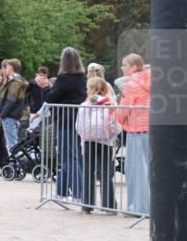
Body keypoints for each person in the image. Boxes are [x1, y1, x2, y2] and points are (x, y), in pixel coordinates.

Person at [45, 47, 87, 201]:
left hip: (66, 122)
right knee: (70, 156)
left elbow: (51, 98)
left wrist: (46, 88)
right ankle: (62, 191)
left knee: (68, 158)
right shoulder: (83, 78)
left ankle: (78, 193)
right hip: (78, 121)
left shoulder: (64, 79)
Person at [76, 77, 118, 213]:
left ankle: (87, 205)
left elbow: (79, 125)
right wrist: (112, 137)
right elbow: (116, 124)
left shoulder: (85, 104)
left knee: (89, 172)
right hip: (106, 141)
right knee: (106, 173)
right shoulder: (110, 103)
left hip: (89, 140)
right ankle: (109, 205)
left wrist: (84, 136)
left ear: (92, 89)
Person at [116, 54, 150, 215]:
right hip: (154, 129)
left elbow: (123, 111)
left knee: (135, 171)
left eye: (125, 65)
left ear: (134, 67)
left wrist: (119, 120)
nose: (122, 68)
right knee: (150, 170)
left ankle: (137, 207)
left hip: (136, 129)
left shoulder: (130, 84)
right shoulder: (155, 81)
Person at [0, 59, 28, 151]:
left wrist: (0, 118)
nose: (5, 69)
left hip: (9, 116)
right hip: (14, 116)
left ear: (11, 68)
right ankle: (15, 164)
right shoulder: (19, 80)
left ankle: (15, 164)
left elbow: (10, 101)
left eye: (7, 67)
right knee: (13, 143)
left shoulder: (15, 82)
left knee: (12, 145)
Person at [26, 66, 51, 131]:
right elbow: (26, 94)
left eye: (44, 75)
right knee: (33, 130)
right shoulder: (32, 84)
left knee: (45, 131)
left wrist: (48, 86)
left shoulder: (49, 86)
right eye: (40, 75)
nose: (42, 77)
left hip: (46, 111)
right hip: (34, 110)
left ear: (47, 75)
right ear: (37, 75)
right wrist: (28, 105)